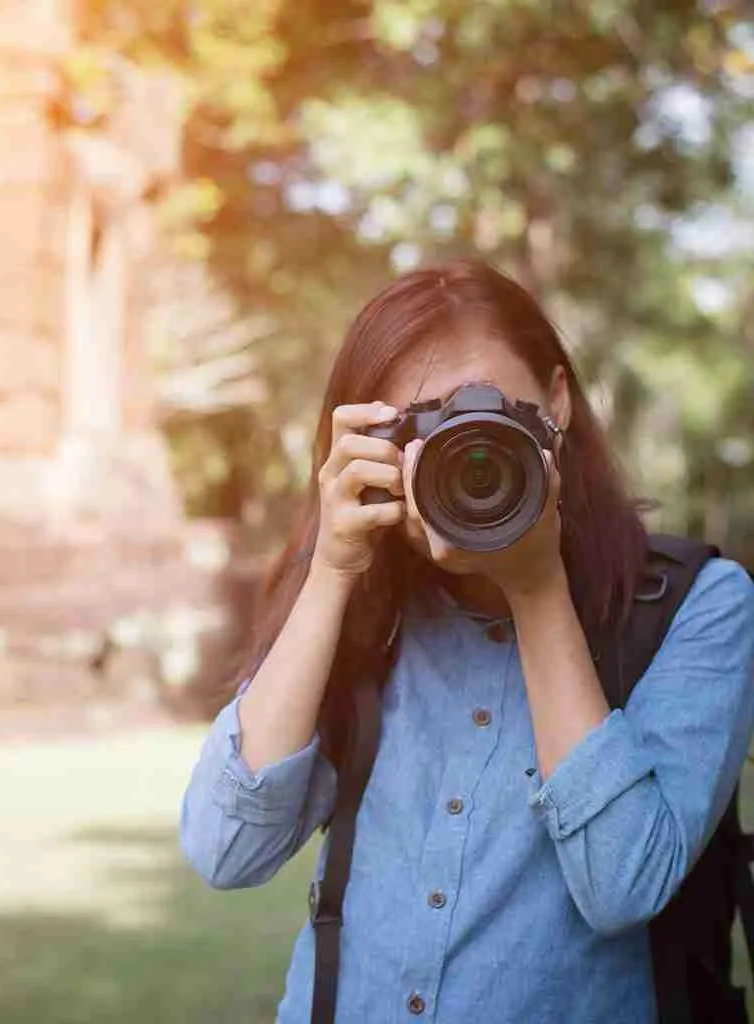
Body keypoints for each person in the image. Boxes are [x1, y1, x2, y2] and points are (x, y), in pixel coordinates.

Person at [178, 256, 754, 1023]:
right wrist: (332, 569)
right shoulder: (364, 608)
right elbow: (226, 850)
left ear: (557, 402)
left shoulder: (697, 605)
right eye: (426, 428)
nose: (471, 453)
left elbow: (624, 885)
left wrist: (535, 584)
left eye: (495, 416)